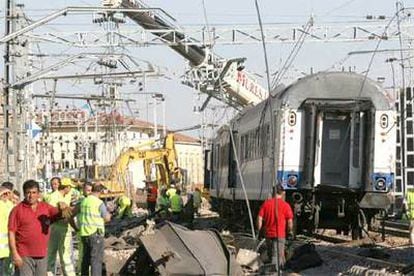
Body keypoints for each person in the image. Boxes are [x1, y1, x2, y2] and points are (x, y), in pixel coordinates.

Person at [8, 180, 63, 276]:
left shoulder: (45, 207)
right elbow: (11, 232)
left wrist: (62, 207)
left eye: (34, 192)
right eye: (28, 192)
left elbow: (60, 214)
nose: (31, 195)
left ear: (38, 194)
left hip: (41, 254)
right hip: (24, 255)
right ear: (24, 194)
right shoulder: (17, 210)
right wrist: (15, 254)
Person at [43, 177, 76, 276]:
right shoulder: (54, 197)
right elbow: (50, 215)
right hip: (56, 229)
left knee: (61, 255)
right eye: (70, 187)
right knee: (55, 255)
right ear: (66, 187)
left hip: (61, 229)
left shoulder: (64, 196)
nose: (71, 190)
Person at [257, 184, 294, 272]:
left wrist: (259, 230)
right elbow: (290, 222)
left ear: (273, 192)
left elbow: (259, 218)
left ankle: (278, 270)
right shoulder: (286, 205)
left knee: (272, 254)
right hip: (280, 235)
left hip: (268, 234)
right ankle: (275, 272)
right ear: (282, 193)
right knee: (277, 255)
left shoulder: (266, 204)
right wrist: (290, 231)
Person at [78, 184, 111, 276]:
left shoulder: (84, 201)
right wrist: (109, 214)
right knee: (96, 261)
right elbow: (106, 218)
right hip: (95, 235)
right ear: (100, 192)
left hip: (85, 234)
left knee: (85, 259)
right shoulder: (99, 203)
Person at [0, 187, 13, 275]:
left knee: (8, 268)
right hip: (2, 249)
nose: (5, 195)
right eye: (3, 193)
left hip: (9, 245)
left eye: (7, 193)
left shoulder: (10, 204)